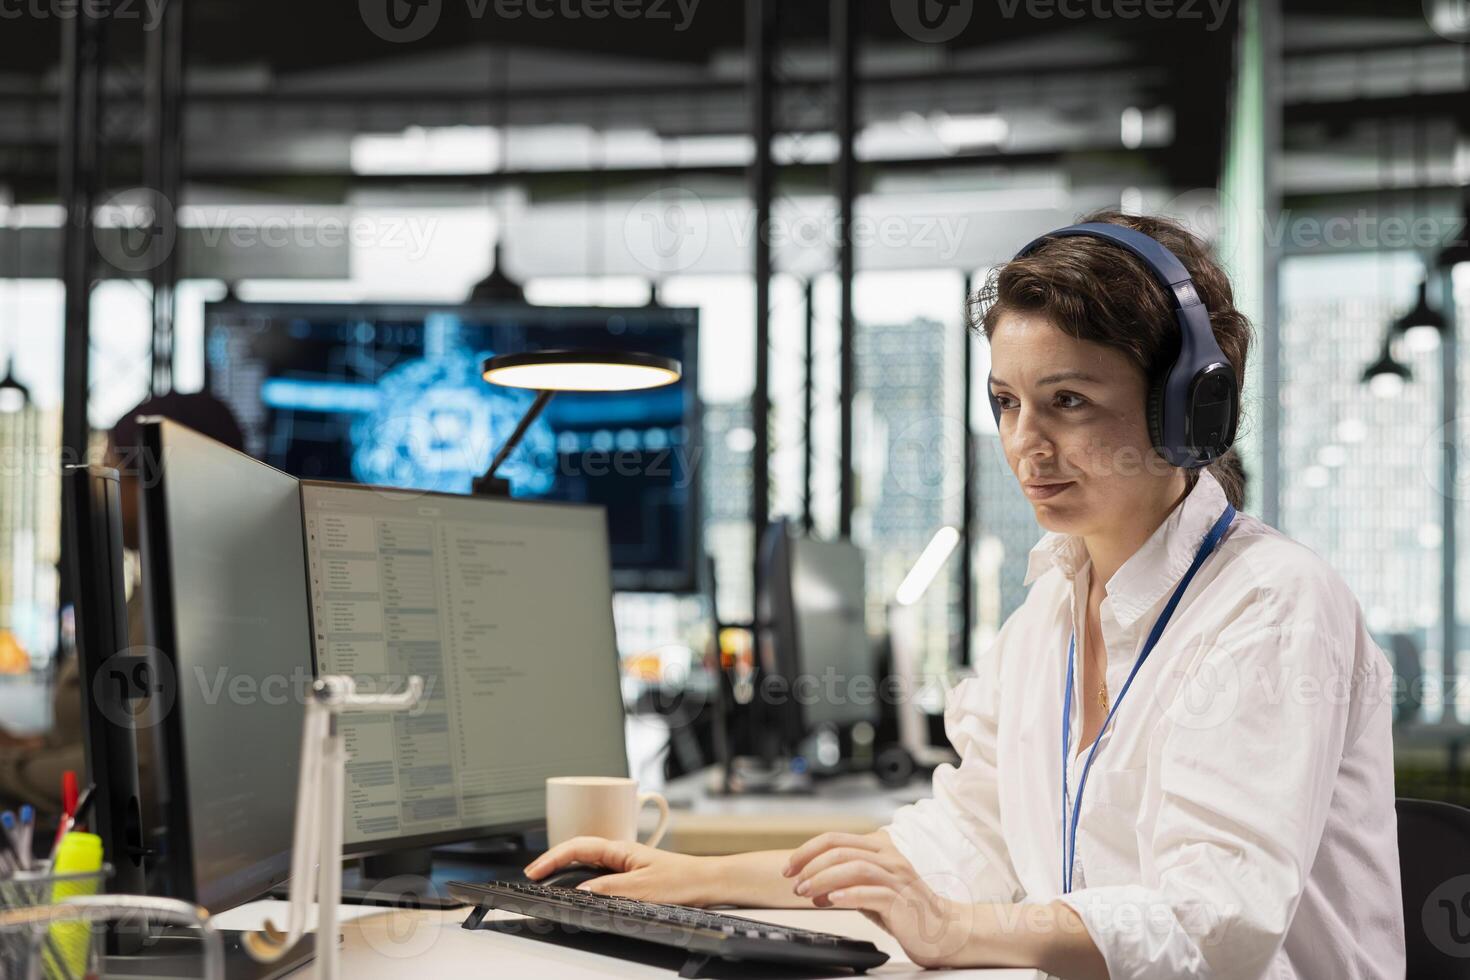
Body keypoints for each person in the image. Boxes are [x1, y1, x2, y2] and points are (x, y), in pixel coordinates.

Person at [524, 211, 1405, 979]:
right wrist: (681, 878)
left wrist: (959, 930)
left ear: (1187, 412)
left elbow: (1219, 922)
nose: (1027, 444)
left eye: (1067, 401)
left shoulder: (1273, 604)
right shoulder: (1047, 617)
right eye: (1005, 402)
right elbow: (962, 842)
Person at [0, 392, 246, 817]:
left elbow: (142, 769)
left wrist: (11, 769)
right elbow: (120, 727)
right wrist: (38, 747)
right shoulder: (159, 586)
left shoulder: (186, 605)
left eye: (111, 459)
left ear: (153, 478)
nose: (103, 473)